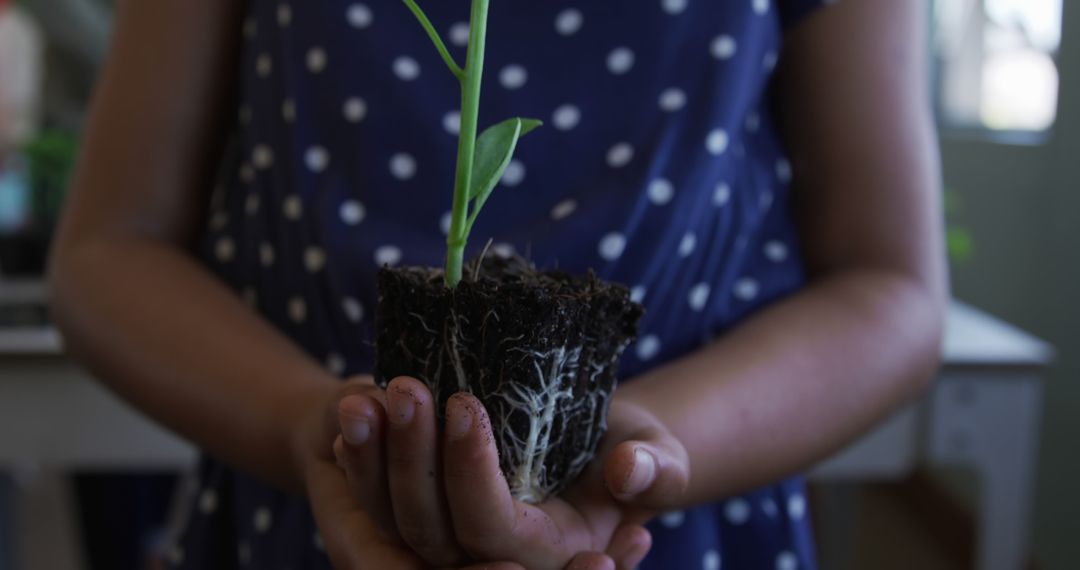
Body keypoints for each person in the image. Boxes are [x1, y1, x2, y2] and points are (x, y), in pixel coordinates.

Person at [48, 0, 947, 568]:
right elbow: (110, 250)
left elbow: (889, 286)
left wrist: (648, 448)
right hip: (309, 516)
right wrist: (303, 425)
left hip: (673, 526)